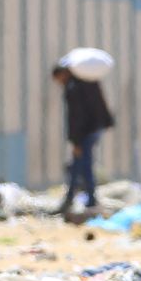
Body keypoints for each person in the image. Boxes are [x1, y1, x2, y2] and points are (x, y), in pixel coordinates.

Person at [52, 62, 114, 216]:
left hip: (85, 132)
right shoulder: (88, 82)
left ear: (62, 74)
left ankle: (84, 200)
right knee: (80, 165)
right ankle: (75, 198)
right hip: (94, 128)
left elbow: (76, 118)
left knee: (83, 165)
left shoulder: (73, 88)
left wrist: (76, 141)